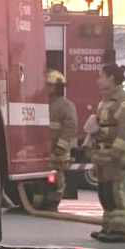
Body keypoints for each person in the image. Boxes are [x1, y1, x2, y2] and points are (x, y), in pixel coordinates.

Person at [86, 62, 125, 243]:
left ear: (112, 78)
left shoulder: (123, 99)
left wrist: (116, 151)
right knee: (104, 191)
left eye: (101, 76)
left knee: (115, 190)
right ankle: (107, 227)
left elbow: (124, 128)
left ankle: (119, 229)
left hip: (114, 154)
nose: (98, 81)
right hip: (102, 153)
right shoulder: (105, 100)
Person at [45, 70, 77, 211]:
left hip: (58, 152)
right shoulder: (40, 103)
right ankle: (39, 203)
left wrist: (60, 147)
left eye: (50, 85)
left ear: (58, 87)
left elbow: (70, 128)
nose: (47, 88)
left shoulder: (66, 106)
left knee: (56, 179)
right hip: (43, 151)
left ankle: (52, 204)